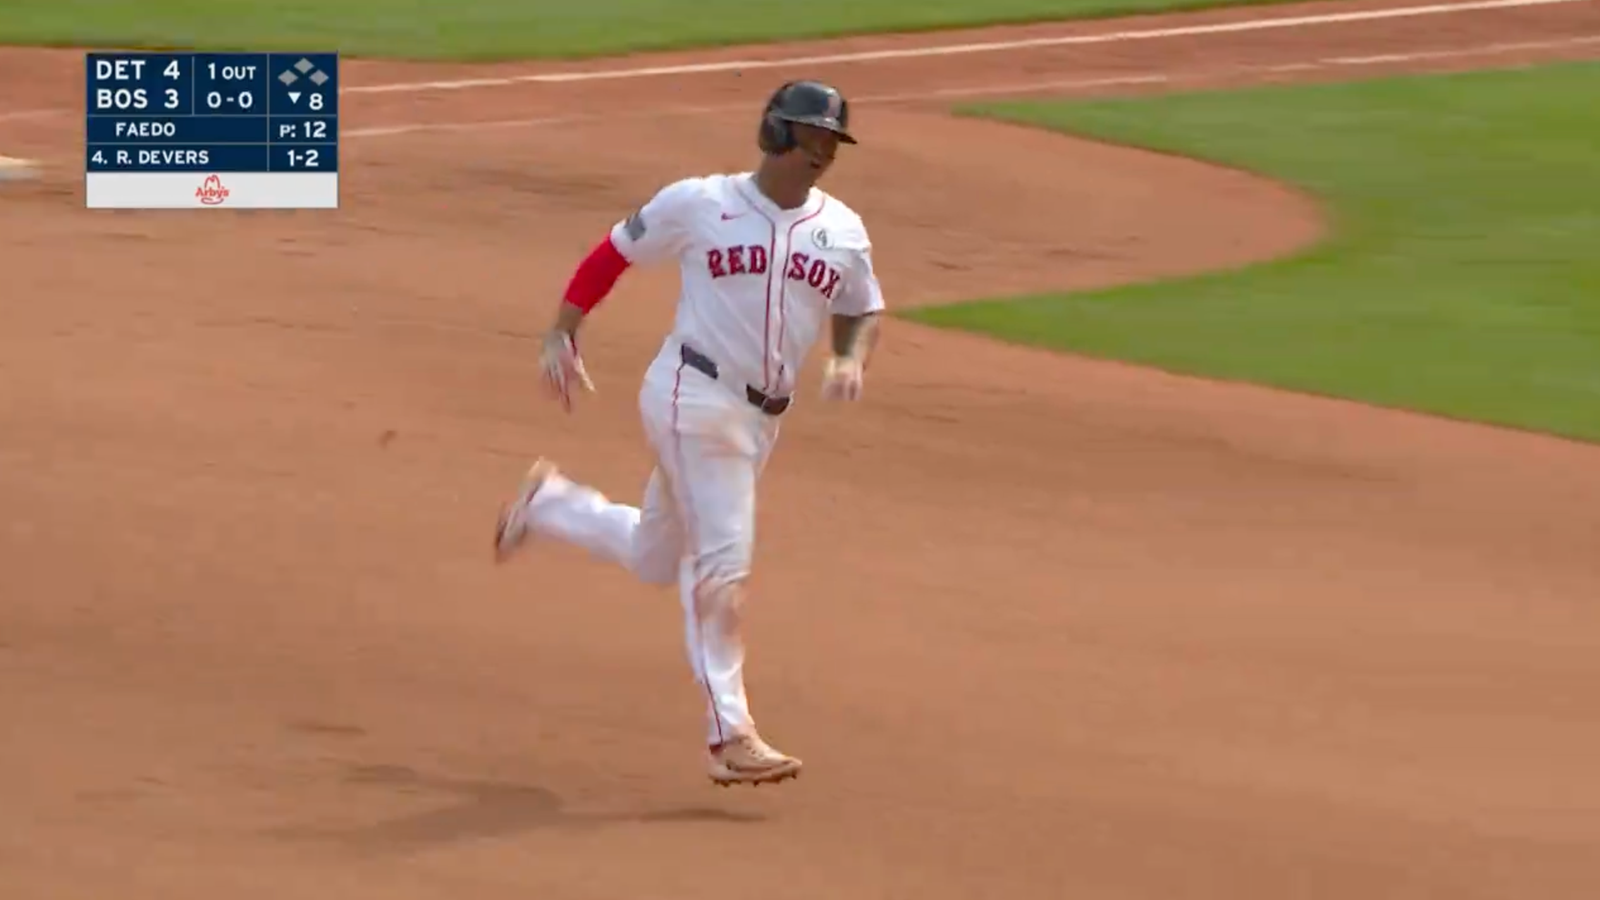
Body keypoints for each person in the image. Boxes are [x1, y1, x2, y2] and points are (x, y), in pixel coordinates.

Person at [492, 79, 885, 787]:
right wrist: (563, 329)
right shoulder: (701, 203)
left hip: (762, 420)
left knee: (654, 556)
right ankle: (729, 733)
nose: (823, 153)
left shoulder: (844, 231)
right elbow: (612, 253)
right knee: (722, 566)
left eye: (832, 141)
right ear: (775, 134)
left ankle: (547, 504)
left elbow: (862, 305)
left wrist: (850, 355)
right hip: (690, 394)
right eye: (812, 136)